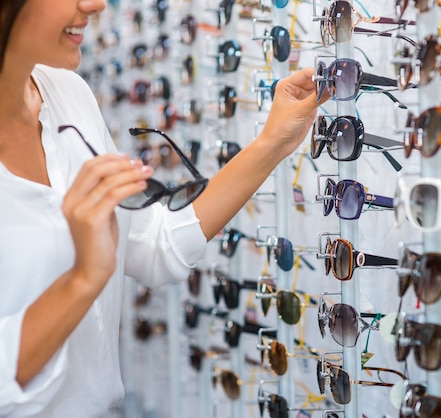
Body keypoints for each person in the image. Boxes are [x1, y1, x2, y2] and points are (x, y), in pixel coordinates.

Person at [0, 0, 326, 416]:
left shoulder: (67, 95)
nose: (95, 4)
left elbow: (153, 244)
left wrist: (272, 143)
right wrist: (83, 278)